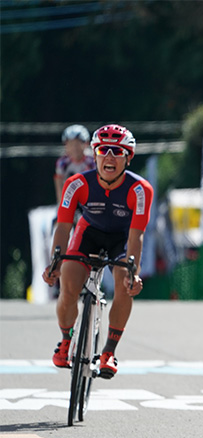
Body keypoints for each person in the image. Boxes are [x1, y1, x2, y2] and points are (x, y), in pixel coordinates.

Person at [42, 124, 153, 379]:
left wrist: (132, 273)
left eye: (117, 151)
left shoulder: (140, 189)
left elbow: (136, 235)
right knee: (68, 283)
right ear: (95, 153)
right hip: (88, 232)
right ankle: (66, 340)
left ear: (128, 157)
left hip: (122, 238)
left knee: (124, 282)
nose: (110, 157)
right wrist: (55, 261)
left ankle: (109, 351)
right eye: (104, 150)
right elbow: (63, 227)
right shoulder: (76, 184)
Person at [54, 124, 95, 205]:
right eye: (70, 144)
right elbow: (59, 183)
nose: (74, 148)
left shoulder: (93, 160)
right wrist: (61, 204)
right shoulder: (62, 162)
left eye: (77, 144)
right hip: (70, 199)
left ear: (86, 144)